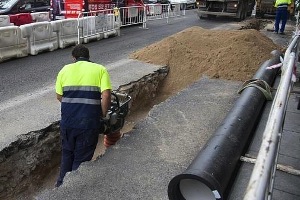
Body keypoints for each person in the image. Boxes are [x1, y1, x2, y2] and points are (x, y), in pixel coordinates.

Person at [55, 44, 112, 187]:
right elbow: (106, 95)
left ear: (73, 58)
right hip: (88, 124)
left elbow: (59, 96)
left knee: (67, 155)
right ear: (88, 57)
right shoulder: (100, 69)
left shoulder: (64, 69)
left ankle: (60, 187)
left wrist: (73, 104)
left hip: (67, 123)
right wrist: (103, 115)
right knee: (80, 160)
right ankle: (73, 190)